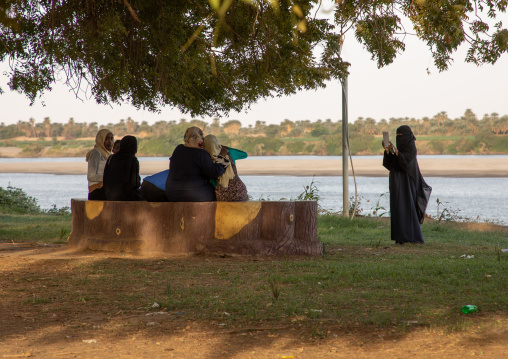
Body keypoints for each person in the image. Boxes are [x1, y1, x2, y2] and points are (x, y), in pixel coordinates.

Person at [383, 125, 432, 244]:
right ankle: (400, 238)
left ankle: (412, 237)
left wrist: (396, 151)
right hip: (396, 182)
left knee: (407, 208)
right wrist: (388, 151)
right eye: (397, 136)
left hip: (407, 184)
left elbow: (405, 163)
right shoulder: (398, 149)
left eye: (401, 136)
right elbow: (389, 164)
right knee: (397, 209)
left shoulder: (411, 148)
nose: (399, 138)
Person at [165, 127, 226, 202]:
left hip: (172, 194)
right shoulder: (201, 154)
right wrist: (222, 159)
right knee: (212, 189)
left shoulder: (178, 149)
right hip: (194, 195)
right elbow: (214, 172)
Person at [203, 135, 249, 201]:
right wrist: (226, 148)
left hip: (222, 196)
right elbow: (244, 154)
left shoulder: (207, 158)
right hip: (240, 192)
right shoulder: (229, 152)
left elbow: (212, 181)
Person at [103, 135, 144, 201]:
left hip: (109, 195)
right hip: (125, 196)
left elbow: (105, 177)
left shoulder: (111, 157)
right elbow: (135, 183)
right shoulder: (133, 160)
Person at [86, 129, 113, 200]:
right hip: (96, 191)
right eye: (106, 139)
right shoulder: (96, 153)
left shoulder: (108, 154)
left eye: (111, 139)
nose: (110, 141)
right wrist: (108, 178)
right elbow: (91, 176)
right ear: (100, 140)